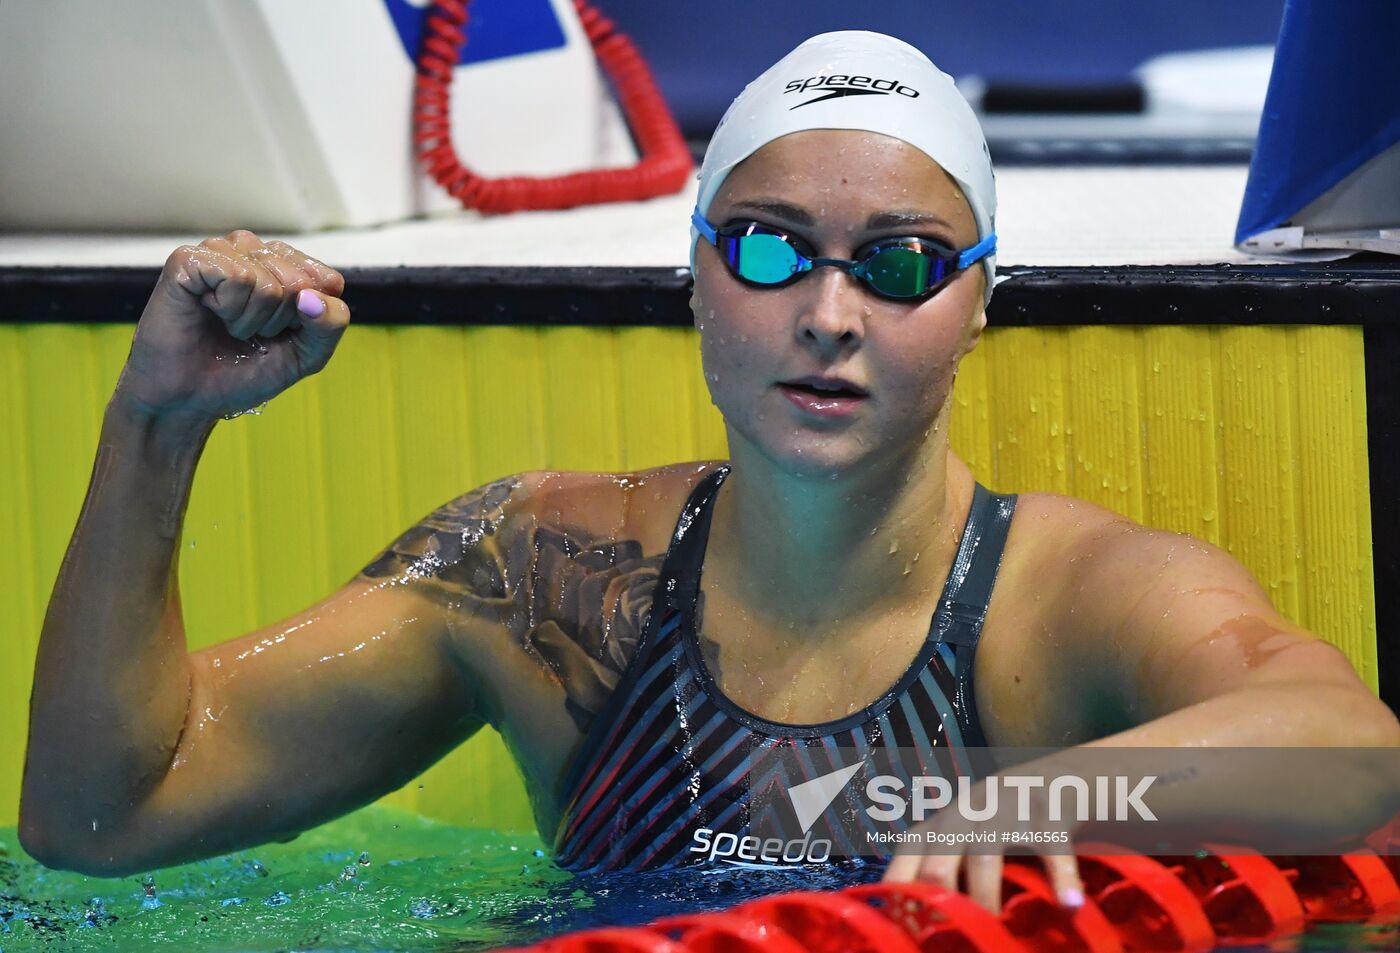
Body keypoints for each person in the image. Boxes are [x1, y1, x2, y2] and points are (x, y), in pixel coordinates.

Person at [19, 31, 1399, 915]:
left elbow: (1356, 754)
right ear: (696, 275)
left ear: (981, 301)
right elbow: (99, 812)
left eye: (905, 263)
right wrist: (154, 425)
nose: (831, 312)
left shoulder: (1058, 604)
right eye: (769, 245)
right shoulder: (545, 584)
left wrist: (1031, 791)